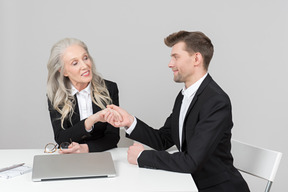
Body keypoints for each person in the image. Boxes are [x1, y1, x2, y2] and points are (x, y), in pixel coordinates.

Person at [105, 31, 250, 191]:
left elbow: (191, 161)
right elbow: (163, 140)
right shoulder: (184, 96)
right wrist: (130, 122)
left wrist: (142, 157)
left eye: (176, 57)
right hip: (186, 182)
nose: (170, 63)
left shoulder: (216, 101)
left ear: (196, 58)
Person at [46, 38, 120, 154]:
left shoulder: (109, 89)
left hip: (102, 155)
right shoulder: (56, 96)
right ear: (63, 71)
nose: (85, 66)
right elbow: (61, 138)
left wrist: (85, 148)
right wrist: (91, 120)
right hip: (71, 158)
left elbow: (113, 137)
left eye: (85, 58)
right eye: (75, 63)